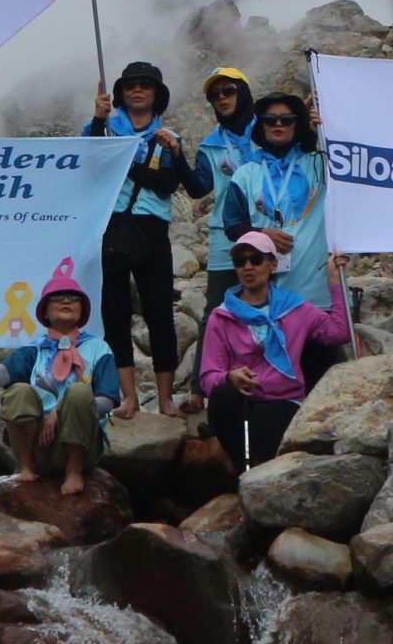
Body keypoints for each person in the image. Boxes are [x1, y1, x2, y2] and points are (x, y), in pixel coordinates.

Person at [86, 61, 207, 416]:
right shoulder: (103, 129)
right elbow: (90, 162)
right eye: (131, 85)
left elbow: (169, 184)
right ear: (121, 93)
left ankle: (166, 398)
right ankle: (129, 398)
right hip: (114, 225)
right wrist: (96, 119)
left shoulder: (169, 137)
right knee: (115, 311)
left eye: (146, 85)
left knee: (159, 312)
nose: (137, 90)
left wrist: (164, 155)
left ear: (156, 95)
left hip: (153, 229)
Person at [218, 91, 348, 382]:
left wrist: (324, 130)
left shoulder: (318, 165)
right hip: (267, 296)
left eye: (287, 119)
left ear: (297, 125)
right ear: (260, 125)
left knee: (322, 377)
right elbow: (232, 225)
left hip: (315, 293)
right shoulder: (246, 174)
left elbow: (349, 161)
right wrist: (260, 233)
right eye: (270, 119)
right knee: (274, 380)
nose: (278, 124)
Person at [0, 270, 121, 496]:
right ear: (46, 311)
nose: (66, 301)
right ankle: (27, 466)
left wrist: (59, 411)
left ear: (82, 310)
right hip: (39, 442)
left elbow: (108, 400)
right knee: (18, 391)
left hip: (82, 445)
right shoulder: (34, 350)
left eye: (73, 298)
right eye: (58, 297)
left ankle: (74, 470)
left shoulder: (98, 349)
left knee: (79, 392)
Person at [197, 233, 351, 472]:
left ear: (273, 264)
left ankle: (269, 478)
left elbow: (339, 332)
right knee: (222, 397)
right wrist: (230, 377)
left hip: (285, 400)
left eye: (256, 259)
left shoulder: (294, 308)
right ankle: (244, 472)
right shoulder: (222, 316)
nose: (248, 266)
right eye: (240, 261)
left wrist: (334, 282)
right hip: (244, 399)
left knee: (265, 420)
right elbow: (208, 377)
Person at [194, 66, 260, 325]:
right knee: (216, 315)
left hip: (270, 234)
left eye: (228, 90)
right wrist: (175, 157)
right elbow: (198, 188)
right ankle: (207, 368)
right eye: (214, 94)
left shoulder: (271, 129)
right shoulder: (210, 145)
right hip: (225, 241)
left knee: (276, 309)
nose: (221, 98)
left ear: (242, 93)